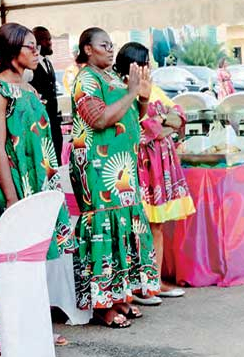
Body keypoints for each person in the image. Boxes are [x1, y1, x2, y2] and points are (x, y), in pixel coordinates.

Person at [69, 27, 158, 328]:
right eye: (103, 45)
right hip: (97, 170)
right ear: (87, 49)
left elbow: (135, 113)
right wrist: (133, 92)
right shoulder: (85, 80)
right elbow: (100, 118)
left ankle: (119, 297)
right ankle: (100, 306)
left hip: (122, 168)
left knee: (122, 229)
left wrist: (141, 97)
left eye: (112, 45)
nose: (110, 49)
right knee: (102, 232)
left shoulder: (111, 78)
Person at [0, 23, 76, 259]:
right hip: (14, 183)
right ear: (12, 50)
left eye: (36, 47)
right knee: (16, 258)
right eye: (30, 47)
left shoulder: (28, 87)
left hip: (38, 179)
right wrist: (12, 198)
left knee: (37, 256)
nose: (36, 52)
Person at [115, 42, 194, 300]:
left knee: (156, 225)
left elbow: (178, 115)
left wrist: (161, 121)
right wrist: (161, 121)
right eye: (145, 61)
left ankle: (155, 280)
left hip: (159, 165)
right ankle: (139, 284)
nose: (149, 65)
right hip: (141, 165)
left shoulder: (153, 86)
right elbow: (142, 127)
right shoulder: (122, 89)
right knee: (140, 226)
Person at [31, 26, 64, 159]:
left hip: (54, 122)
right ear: (37, 42)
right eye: (46, 39)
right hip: (41, 122)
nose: (50, 42)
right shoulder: (31, 66)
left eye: (49, 39)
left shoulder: (48, 62)